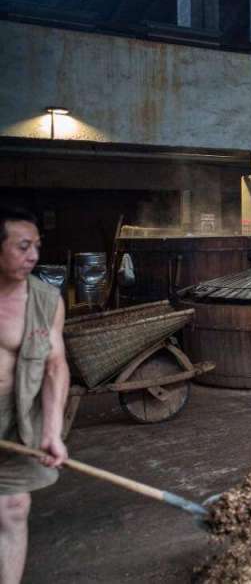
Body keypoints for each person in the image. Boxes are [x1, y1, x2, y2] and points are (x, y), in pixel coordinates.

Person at [0, 207, 69, 584]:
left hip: (17, 421)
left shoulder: (45, 301)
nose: (34, 256)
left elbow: (55, 366)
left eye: (37, 246)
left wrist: (52, 431)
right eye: (23, 247)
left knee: (13, 507)